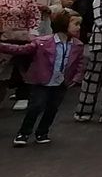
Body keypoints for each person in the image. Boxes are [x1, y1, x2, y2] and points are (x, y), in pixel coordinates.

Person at [3, 8, 84, 146]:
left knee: (52, 108)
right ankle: (24, 133)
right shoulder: (43, 42)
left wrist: (75, 79)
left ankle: (42, 132)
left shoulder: (77, 45)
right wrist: (3, 46)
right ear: (63, 25)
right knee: (35, 106)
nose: (79, 27)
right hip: (41, 81)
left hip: (61, 83)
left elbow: (80, 64)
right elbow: (21, 50)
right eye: (75, 24)